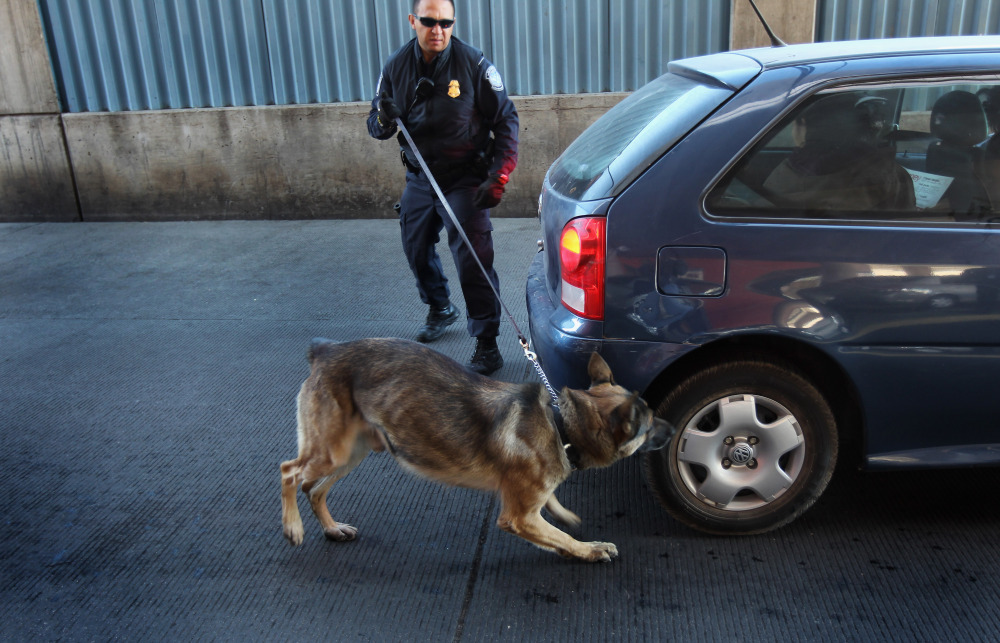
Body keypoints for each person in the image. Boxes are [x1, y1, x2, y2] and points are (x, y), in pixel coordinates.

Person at [367, 0, 518, 376]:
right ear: (413, 21)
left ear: (453, 23)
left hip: (466, 178)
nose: (438, 30)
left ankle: (487, 343)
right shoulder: (395, 68)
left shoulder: (473, 65)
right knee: (415, 246)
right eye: (430, 21)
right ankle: (440, 306)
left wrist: (498, 175)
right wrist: (383, 118)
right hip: (420, 177)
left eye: (446, 22)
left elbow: (507, 120)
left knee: (472, 257)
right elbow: (376, 124)